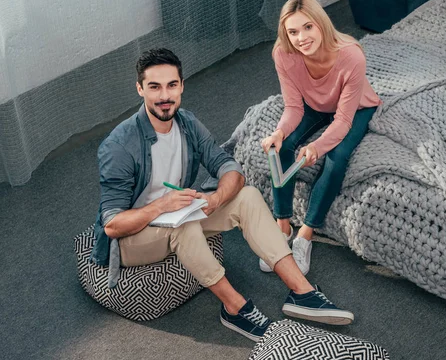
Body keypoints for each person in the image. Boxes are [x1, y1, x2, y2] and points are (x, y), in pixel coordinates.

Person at [90, 48, 354, 342]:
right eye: (154, 87)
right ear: (140, 89)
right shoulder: (119, 146)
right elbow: (112, 225)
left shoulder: (187, 123)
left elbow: (230, 168)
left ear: (181, 86)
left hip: (177, 212)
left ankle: (301, 292)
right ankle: (234, 308)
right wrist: (162, 206)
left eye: (171, 85)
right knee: (185, 228)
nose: (164, 95)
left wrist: (215, 200)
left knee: (249, 197)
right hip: (131, 238)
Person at [260, 0, 382, 275]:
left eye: (308, 28)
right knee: (281, 147)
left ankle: (306, 234)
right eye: (293, 32)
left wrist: (316, 146)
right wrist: (279, 132)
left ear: (321, 25)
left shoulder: (352, 54)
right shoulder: (283, 53)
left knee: (336, 157)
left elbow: (342, 120)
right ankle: (283, 226)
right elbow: (292, 106)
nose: (301, 38)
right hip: (314, 104)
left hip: (355, 107)